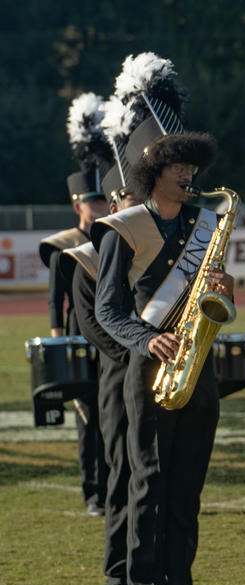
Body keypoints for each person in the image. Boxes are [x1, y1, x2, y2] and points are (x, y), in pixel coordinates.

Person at [95, 51, 231, 585]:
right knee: (148, 486)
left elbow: (211, 297)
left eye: (190, 164)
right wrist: (146, 339)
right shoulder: (125, 229)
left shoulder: (204, 222)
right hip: (147, 371)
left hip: (198, 367)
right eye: (176, 164)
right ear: (151, 169)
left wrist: (225, 290)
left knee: (187, 491)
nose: (187, 174)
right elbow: (107, 309)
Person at [69, 162, 141, 585]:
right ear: (115, 205)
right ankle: (117, 571)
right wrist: (138, 350)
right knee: (122, 474)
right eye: (133, 199)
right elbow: (94, 326)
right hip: (117, 378)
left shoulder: (154, 246)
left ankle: (154, 567)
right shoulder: (88, 260)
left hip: (158, 373)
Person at [40, 91, 111, 516]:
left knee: (113, 413)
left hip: (111, 334)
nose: (98, 207)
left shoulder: (114, 238)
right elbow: (55, 300)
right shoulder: (65, 245)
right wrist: (56, 343)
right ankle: (93, 493)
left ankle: (114, 483)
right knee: (87, 418)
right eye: (91, 201)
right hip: (77, 336)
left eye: (102, 200)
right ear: (77, 204)